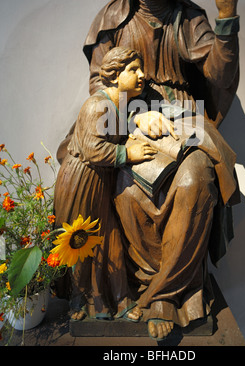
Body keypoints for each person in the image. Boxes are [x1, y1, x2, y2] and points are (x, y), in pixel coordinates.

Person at [57, 0, 241, 340]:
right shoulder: (111, 19)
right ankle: (120, 289)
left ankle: (164, 294)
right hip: (125, 124)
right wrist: (134, 117)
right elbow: (98, 86)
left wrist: (226, 16)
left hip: (184, 119)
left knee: (197, 179)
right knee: (123, 183)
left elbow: (220, 72)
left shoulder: (188, 18)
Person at [54, 46, 158, 321]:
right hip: (80, 180)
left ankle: (118, 300)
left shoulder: (119, 106)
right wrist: (127, 152)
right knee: (79, 240)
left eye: (141, 69)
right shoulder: (97, 105)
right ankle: (82, 301)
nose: (142, 75)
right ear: (113, 74)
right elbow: (92, 148)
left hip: (100, 180)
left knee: (109, 240)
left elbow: (115, 136)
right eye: (133, 69)